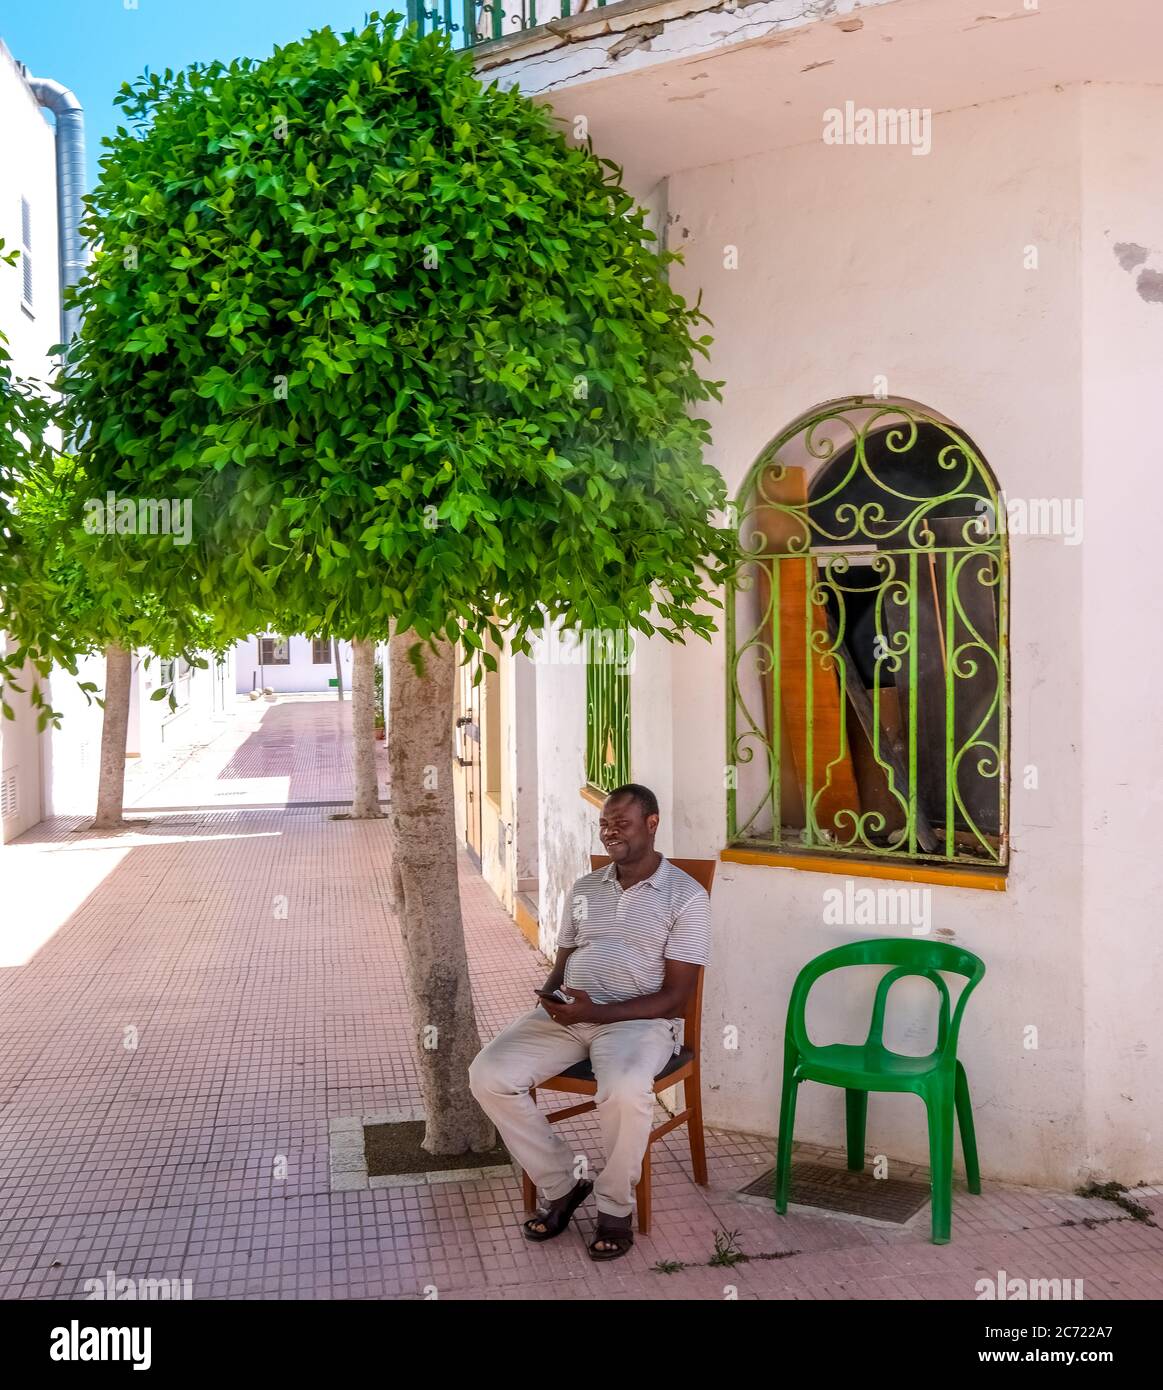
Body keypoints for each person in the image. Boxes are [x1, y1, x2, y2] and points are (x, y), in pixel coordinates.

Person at [468, 783, 711, 1260]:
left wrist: (592, 1012)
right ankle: (563, 1184)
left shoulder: (686, 896)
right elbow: (565, 957)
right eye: (604, 824)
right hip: (567, 1017)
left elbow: (676, 999)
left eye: (621, 822)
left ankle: (615, 1207)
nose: (610, 832)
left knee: (623, 1089)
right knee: (488, 1075)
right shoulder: (585, 888)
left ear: (652, 823)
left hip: (637, 1023)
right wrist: (552, 996)